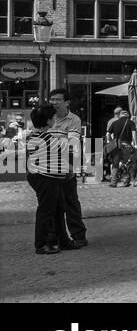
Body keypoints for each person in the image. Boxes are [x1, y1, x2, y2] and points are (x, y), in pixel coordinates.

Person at [42, 89, 87, 250]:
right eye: (52, 99)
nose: (53, 102)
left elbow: (73, 143)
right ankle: (55, 236)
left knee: (71, 202)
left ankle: (79, 235)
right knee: (52, 204)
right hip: (48, 168)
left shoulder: (74, 120)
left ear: (67, 102)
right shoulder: (47, 118)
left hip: (66, 166)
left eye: (57, 99)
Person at [24, 104, 71, 255]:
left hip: (40, 176)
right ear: (49, 121)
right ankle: (42, 244)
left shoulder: (33, 136)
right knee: (46, 211)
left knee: (56, 208)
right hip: (46, 178)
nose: (55, 120)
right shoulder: (48, 138)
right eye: (53, 118)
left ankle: (59, 240)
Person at [106, 108, 136, 188]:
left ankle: (113, 182)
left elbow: (108, 135)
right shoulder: (131, 123)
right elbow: (134, 135)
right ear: (128, 116)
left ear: (120, 115)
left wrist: (112, 141)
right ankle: (128, 181)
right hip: (127, 145)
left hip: (116, 146)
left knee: (115, 164)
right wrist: (135, 144)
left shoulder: (114, 123)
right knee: (128, 164)